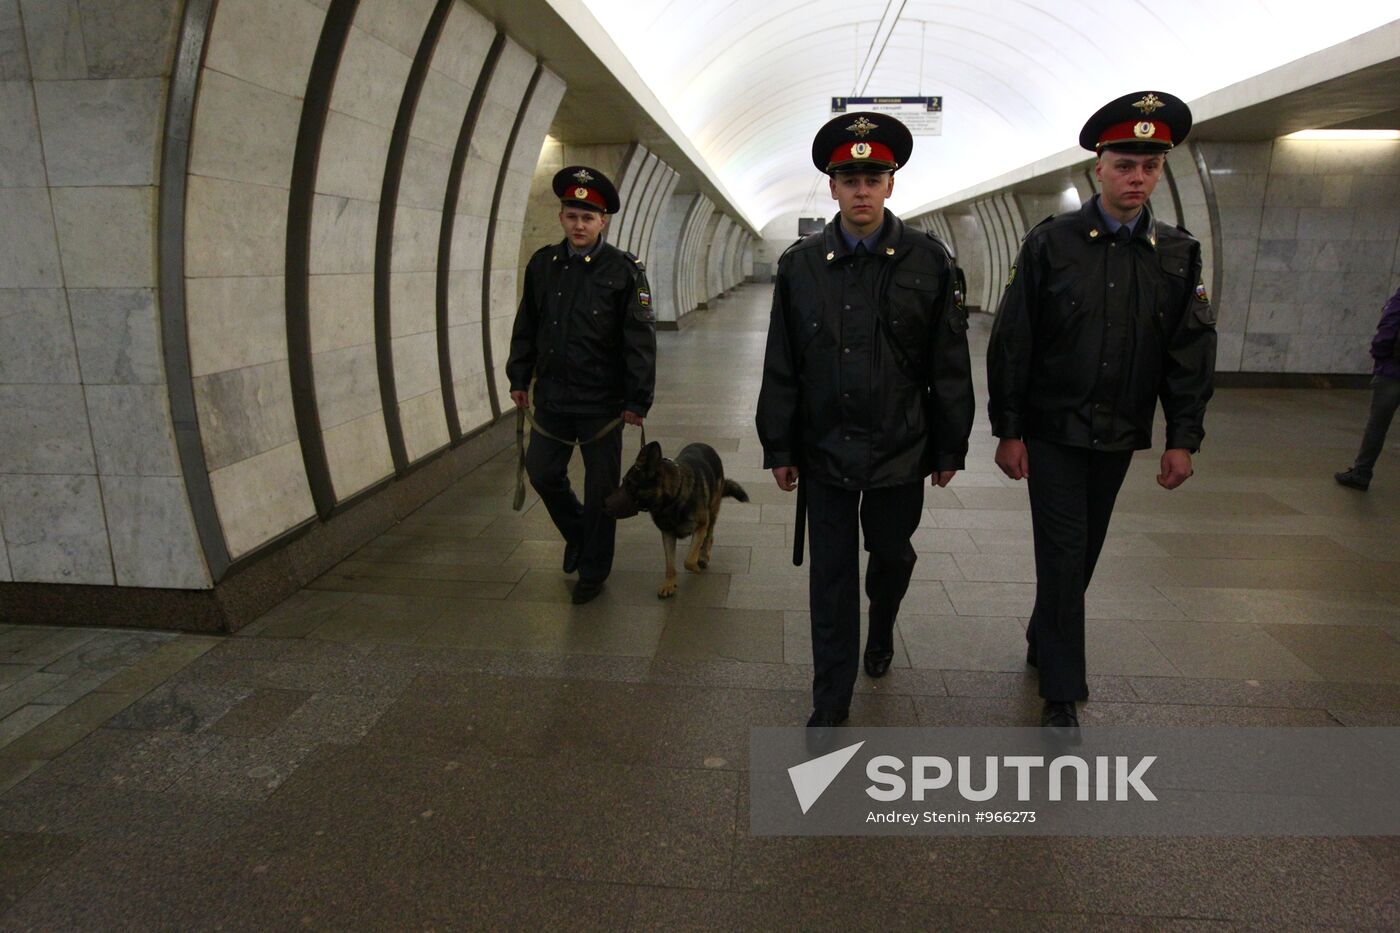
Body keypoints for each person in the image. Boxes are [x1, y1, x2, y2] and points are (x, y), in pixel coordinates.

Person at [987, 91, 1216, 732]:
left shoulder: (1177, 252)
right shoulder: (1050, 244)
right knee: (1062, 550)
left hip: (1119, 430)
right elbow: (1014, 341)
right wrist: (1009, 430)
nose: (1137, 177)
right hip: (1054, 428)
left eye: (1150, 165)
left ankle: (1044, 631)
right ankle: (1062, 689)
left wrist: (1184, 437)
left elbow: (1189, 350)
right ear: (1098, 167)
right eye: (1124, 164)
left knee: (1084, 550)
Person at [756, 112, 975, 741]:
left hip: (900, 449)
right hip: (824, 448)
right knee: (829, 578)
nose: (861, 188)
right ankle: (831, 696)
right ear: (831, 186)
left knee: (890, 555)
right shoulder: (801, 266)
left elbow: (949, 362)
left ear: (891, 183)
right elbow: (782, 362)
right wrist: (780, 443)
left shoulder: (928, 262)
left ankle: (882, 625)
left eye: (873, 176)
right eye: (848, 177)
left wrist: (949, 444)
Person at [506, 166, 656, 605]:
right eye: (573, 214)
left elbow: (639, 339)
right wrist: (520, 376)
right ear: (561, 216)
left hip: (602, 404)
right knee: (543, 472)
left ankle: (593, 570)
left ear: (603, 221)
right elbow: (527, 326)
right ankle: (578, 534)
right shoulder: (542, 265)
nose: (579, 224)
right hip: (552, 396)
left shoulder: (625, 270)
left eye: (589, 217)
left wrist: (637, 399)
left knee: (601, 491)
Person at [1335, 286, 1400, 491]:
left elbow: (1389, 326)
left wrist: (1380, 355)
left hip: (1393, 371)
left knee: (1377, 425)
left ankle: (1362, 473)